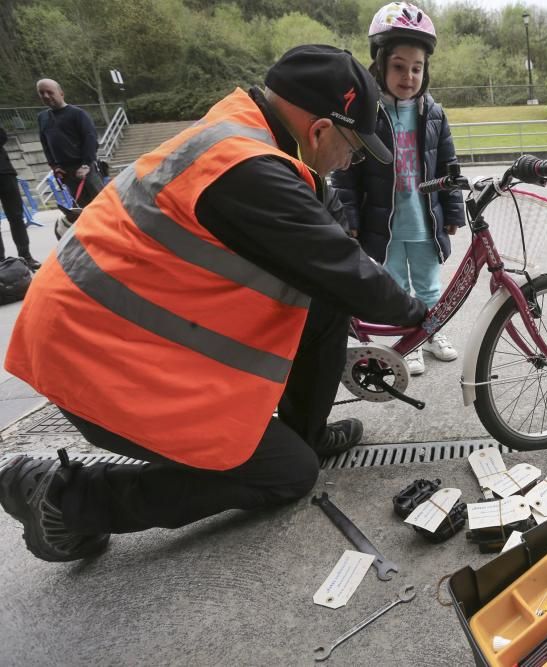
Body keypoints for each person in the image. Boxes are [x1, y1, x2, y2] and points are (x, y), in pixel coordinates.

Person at [0, 45, 426, 563]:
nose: (350, 161)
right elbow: (344, 266)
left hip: (121, 335)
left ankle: (301, 436)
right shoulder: (245, 169)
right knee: (289, 475)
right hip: (94, 359)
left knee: (322, 305)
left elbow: (330, 234)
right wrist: (419, 310)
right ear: (318, 131)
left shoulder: (254, 132)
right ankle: (66, 499)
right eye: (354, 149)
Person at [331, 2, 464, 376]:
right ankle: (409, 341)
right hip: (384, 227)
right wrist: (351, 217)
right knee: (395, 288)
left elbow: (448, 167)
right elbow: (345, 175)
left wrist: (453, 212)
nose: (409, 76)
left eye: (417, 68)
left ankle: (432, 334)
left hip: (423, 221)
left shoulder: (433, 113)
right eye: (399, 66)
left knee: (429, 286)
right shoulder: (367, 115)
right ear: (380, 64)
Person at [36, 78, 105, 207]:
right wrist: (54, 166)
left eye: (50, 92)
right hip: (65, 172)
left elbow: (90, 139)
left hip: (85, 168)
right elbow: (45, 143)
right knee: (82, 208)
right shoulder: (42, 117)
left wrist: (85, 165)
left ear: (61, 93)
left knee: (101, 205)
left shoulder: (78, 114)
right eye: (41, 93)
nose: (46, 96)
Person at [0, 128, 41, 270]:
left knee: (16, 216)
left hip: (5, 173)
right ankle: (1, 262)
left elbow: (2, 137)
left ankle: (26, 256)